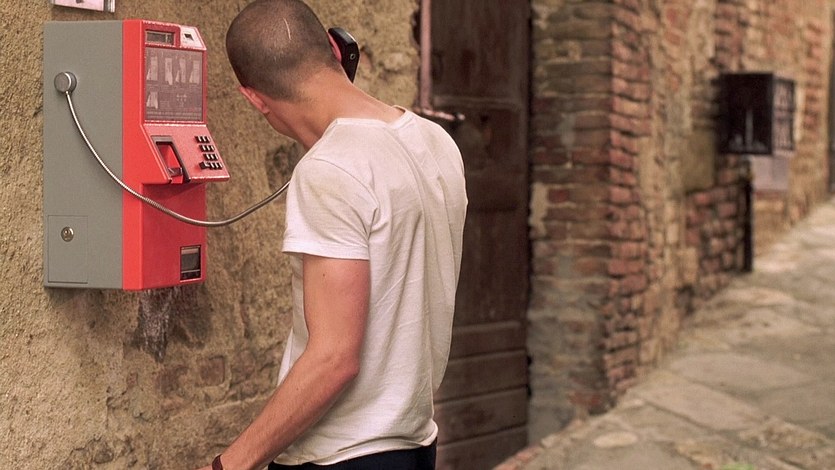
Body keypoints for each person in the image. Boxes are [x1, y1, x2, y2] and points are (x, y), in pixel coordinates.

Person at [196, 1, 467, 468]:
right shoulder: (435, 140)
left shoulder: (329, 169)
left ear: (254, 99)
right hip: (416, 445)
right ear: (335, 48)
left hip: (345, 454)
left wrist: (231, 463)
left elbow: (335, 359)